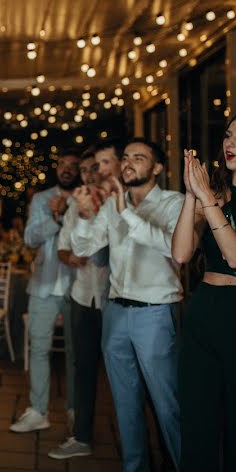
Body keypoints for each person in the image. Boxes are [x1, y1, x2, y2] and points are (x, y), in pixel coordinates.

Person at [70, 138, 183, 472]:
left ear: (157, 168)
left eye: (140, 157)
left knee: (167, 406)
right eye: (127, 156)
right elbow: (84, 246)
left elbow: (172, 247)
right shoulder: (112, 205)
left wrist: (126, 213)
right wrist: (83, 215)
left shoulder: (173, 203)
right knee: (125, 406)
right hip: (116, 312)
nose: (130, 162)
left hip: (156, 314)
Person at [172, 115, 236, 471]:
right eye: (228, 135)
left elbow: (235, 256)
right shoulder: (216, 194)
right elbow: (182, 254)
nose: (230, 144)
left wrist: (208, 201)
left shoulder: (215, 199)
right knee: (197, 415)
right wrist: (189, 194)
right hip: (205, 308)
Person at [48, 145, 115, 460]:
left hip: (115, 300)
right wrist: (71, 256)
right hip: (81, 296)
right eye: (86, 170)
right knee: (83, 368)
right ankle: (82, 436)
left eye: (95, 168)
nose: (90, 175)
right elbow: (62, 246)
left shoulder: (117, 202)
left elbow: (103, 253)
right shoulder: (77, 204)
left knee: (123, 373)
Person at [10, 150, 79, 434]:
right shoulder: (41, 198)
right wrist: (57, 217)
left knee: (77, 353)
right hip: (43, 284)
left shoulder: (87, 197)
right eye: (62, 163)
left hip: (79, 286)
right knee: (38, 349)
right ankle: (39, 411)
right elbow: (30, 238)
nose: (66, 168)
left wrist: (70, 213)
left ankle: (77, 412)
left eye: (72, 164)